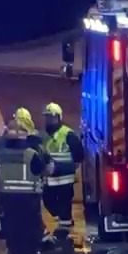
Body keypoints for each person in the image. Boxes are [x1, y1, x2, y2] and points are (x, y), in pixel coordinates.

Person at [0, 107, 49, 254]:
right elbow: (44, 170)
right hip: (29, 200)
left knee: (12, 230)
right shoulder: (31, 153)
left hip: (7, 199)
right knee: (30, 230)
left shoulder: (0, 153)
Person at [40, 102, 83, 246]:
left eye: (51, 118)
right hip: (50, 180)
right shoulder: (45, 136)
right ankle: (64, 225)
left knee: (64, 207)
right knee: (49, 202)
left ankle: (64, 232)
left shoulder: (68, 134)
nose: (48, 121)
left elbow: (78, 156)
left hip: (65, 180)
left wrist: (66, 168)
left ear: (58, 118)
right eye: (46, 118)